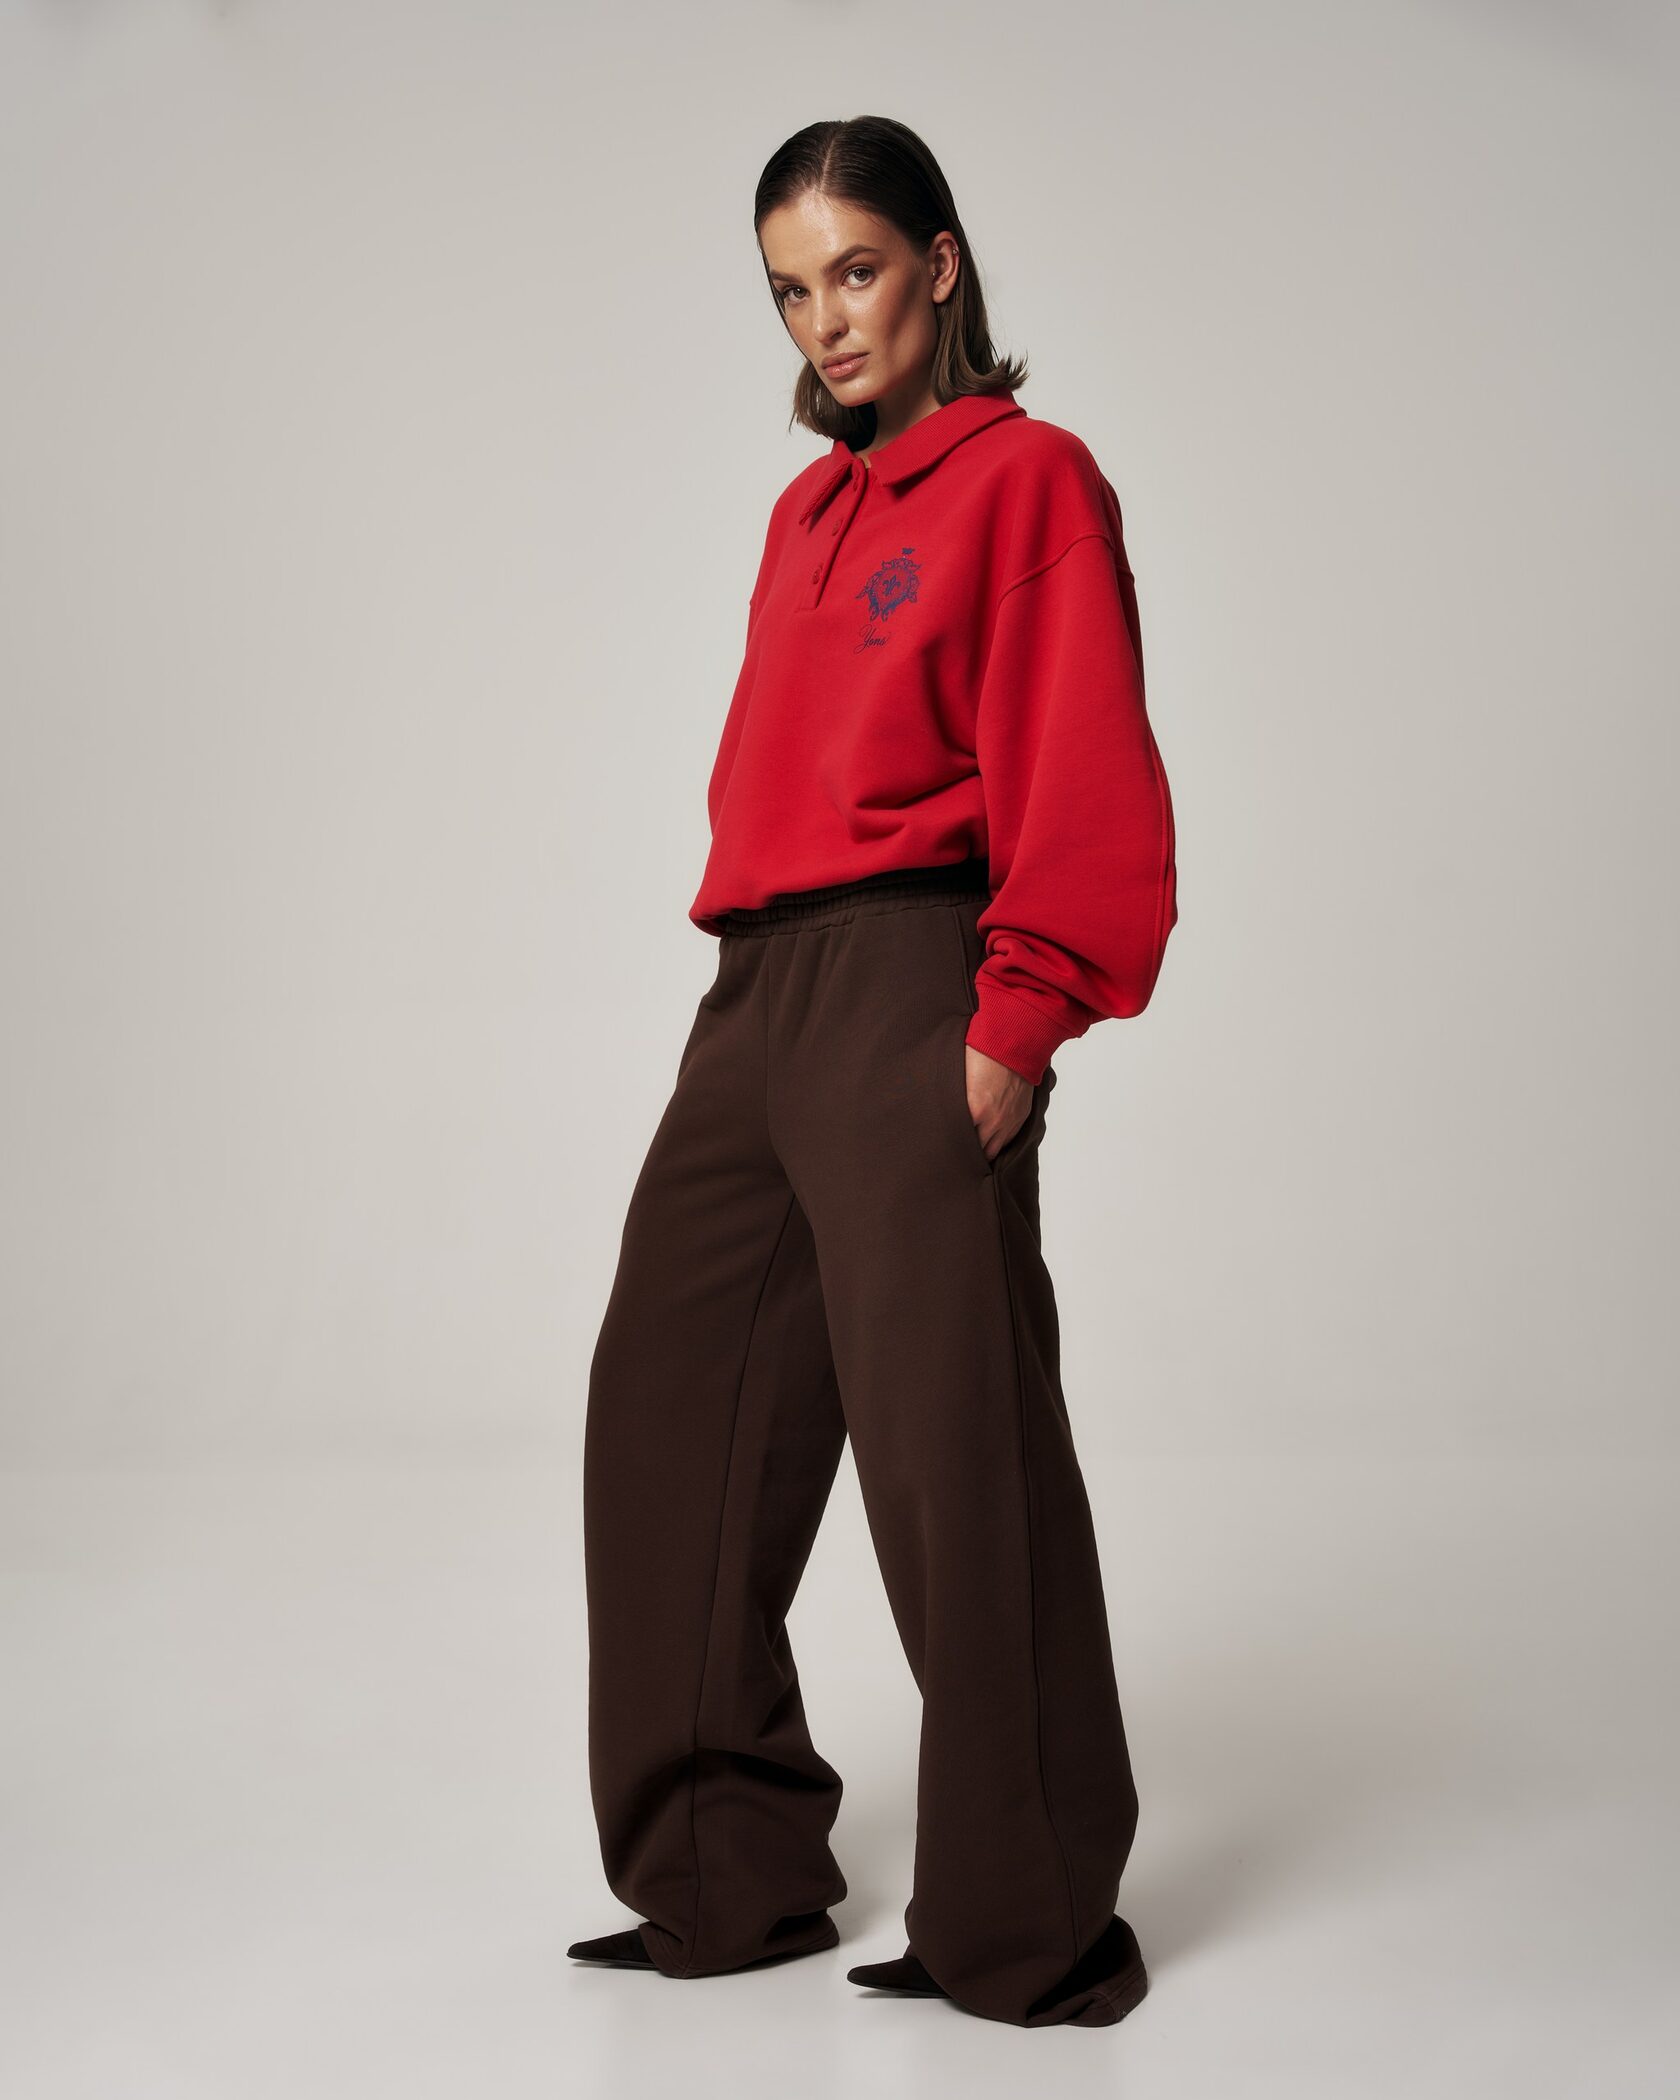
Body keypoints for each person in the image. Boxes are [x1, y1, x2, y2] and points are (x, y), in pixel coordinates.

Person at [567, 114, 1179, 2031]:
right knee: (666, 1420)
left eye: (853, 270)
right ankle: (722, 1876)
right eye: (789, 291)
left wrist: (1016, 1024)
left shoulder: (1028, 479)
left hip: (919, 978)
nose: (826, 320)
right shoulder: (805, 517)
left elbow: (1081, 760)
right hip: (755, 996)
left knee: (955, 1462)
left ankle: (1029, 1924)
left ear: (938, 264)